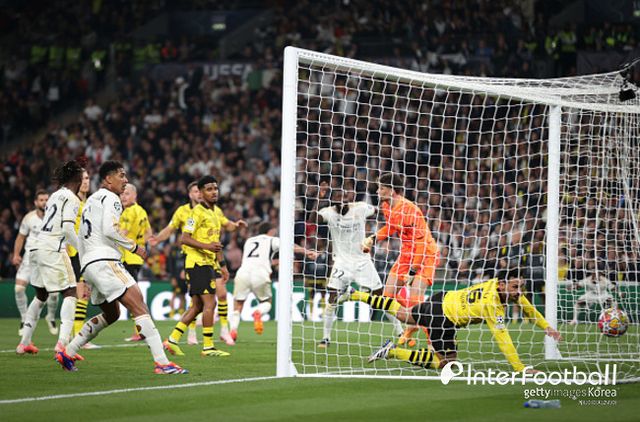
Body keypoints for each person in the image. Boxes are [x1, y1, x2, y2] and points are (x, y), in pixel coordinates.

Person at [56, 160, 187, 374]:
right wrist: (134, 247)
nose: (125, 180)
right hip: (105, 261)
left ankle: (68, 352)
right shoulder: (112, 198)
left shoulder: (90, 200)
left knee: (113, 313)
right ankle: (162, 363)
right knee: (139, 305)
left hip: (90, 263)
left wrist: (86, 266)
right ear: (108, 179)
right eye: (121, 175)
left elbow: (81, 234)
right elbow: (110, 229)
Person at [340, 270, 562, 373]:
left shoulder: (498, 286)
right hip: (442, 318)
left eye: (521, 287)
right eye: (515, 287)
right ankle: (392, 352)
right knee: (445, 364)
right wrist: (520, 368)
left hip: (443, 299)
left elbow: (528, 308)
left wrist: (547, 327)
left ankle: (355, 294)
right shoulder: (492, 305)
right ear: (502, 285)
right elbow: (503, 339)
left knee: (403, 314)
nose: (519, 292)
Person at [316, 189, 402, 348]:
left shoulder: (360, 207)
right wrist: (319, 199)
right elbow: (312, 219)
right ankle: (325, 338)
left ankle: (400, 332)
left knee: (380, 298)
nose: (341, 199)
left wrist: (393, 211)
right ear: (332, 199)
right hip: (341, 262)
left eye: (343, 195)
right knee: (332, 298)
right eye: (337, 196)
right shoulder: (328, 212)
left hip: (362, 261)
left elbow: (379, 211)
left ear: (348, 197)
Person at [362, 172, 440, 347]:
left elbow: (420, 244)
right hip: (406, 255)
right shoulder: (386, 206)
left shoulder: (411, 210)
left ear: (392, 190)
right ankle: (413, 323)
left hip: (425, 254)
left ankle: (433, 342)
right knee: (387, 298)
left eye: (382, 188)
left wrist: (413, 271)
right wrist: (374, 238)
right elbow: (390, 227)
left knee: (416, 298)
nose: (378, 191)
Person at [16, 161, 83, 355]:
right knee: (71, 292)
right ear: (78, 179)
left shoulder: (55, 195)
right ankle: (63, 344)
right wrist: (83, 250)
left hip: (37, 247)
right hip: (53, 248)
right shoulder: (72, 198)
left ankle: (24, 343)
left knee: (41, 295)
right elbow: (68, 229)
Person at [163, 175, 232, 357]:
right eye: (209, 189)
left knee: (197, 306)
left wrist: (223, 265)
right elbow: (184, 238)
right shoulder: (196, 213)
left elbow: (215, 243)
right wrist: (206, 247)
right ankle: (208, 347)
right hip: (197, 263)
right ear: (201, 193)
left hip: (208, 263)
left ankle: (172, 340)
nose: (214, 192)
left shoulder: (215, 214)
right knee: (210, 303)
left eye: (215, 188)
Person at [230, 222, 317, 340]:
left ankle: (233, 330)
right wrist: (307, 252)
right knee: (266, 302)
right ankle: (258, 312)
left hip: (243, 273)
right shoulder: (272, 240)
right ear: (270, 231)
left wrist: (276, 262)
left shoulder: (249, 241)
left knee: (238, 304)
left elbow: (257, 258)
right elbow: (290, 246)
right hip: (260, 274)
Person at [149, 181, 200, 344]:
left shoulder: (211, 210)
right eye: (195, 191)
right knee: (194, 295)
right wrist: (158, 238)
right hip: (191, 257)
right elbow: (170, 228)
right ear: (189, 194)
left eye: (200, 191)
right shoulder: (182, 211)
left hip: (208, 257)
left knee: (208, 298)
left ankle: (214, 331)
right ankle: (192, 332)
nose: (198, 194)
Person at [12, 190, 60, 337]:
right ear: (35, 202)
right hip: (30, 258)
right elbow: (20, 237)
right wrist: (16, 254)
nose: (44, 202)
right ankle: (24, 318)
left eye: (46, 199)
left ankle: (50, 316)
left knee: (54, 294)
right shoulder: (29, 218)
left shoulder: (55, 217)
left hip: (48, 258)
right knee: (19, 289)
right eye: (41, 200)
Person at [69, 170, 100, 349]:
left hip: (85, 253)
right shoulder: (73, 202)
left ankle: (75, 335)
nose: (86, 182)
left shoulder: (88, 203)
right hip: (74, 252)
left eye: (87, 178)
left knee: (82, 295)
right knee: (80, 294)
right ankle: (77, 337)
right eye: (82, 179)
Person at [119, 183, 152, 341]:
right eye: (122, 194)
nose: (123, 197)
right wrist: (140, 244)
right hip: (136, 259)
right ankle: (141, 329)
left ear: (135, 195)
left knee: (132, 297)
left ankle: (142, 329)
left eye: (127, 194)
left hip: (127, 257)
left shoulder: (128, 212)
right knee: (134, 294)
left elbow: (122, 233)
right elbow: (149, 233)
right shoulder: (142, 211)